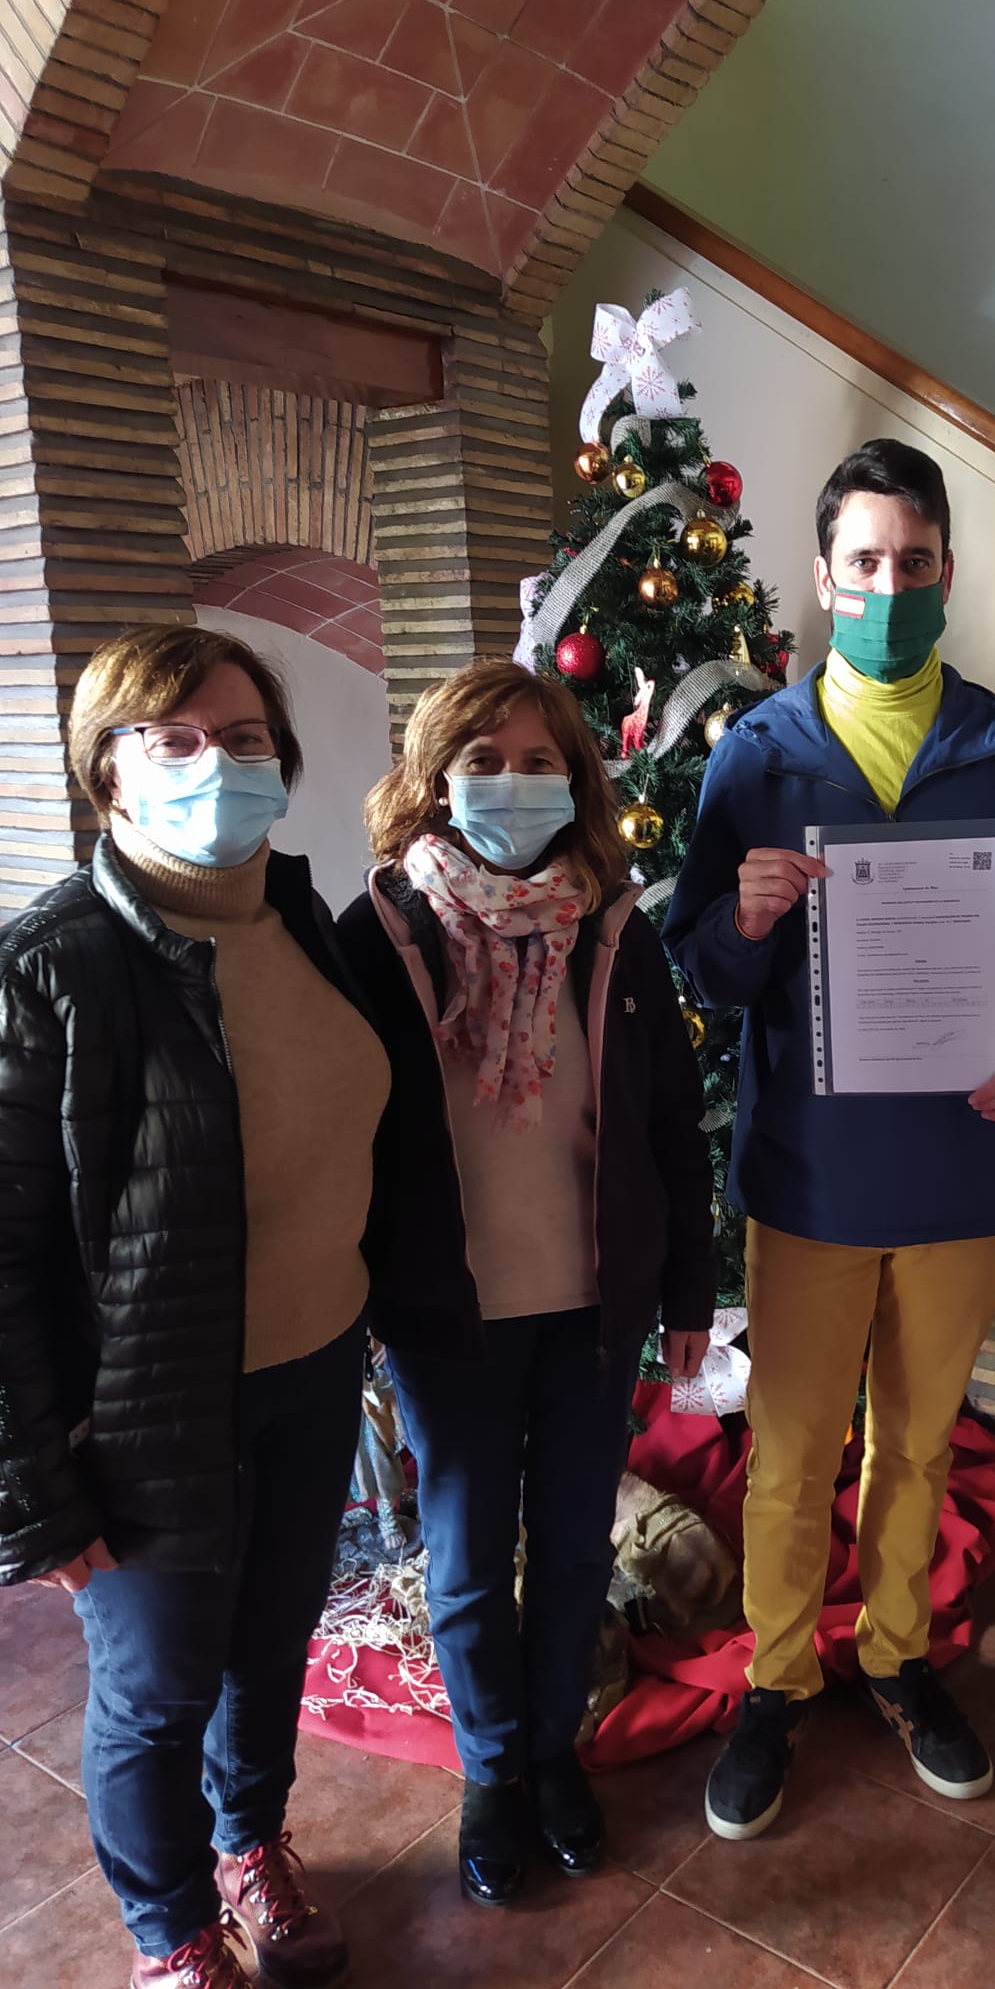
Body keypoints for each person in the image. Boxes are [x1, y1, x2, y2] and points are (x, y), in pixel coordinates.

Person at [664, 437, 995, 1840]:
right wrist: (740, 921)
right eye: (866, 562)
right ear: (823, 576)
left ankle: (901, 1655)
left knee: (917, 1445)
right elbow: (698, 969)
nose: (890, 585)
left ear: (947, 573)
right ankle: (779, 1679)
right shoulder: (758, 756)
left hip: (963, 1171)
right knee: (792, 1453)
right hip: (810, 1174)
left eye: (914, 562)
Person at [0, 626, 391, 1989]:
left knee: (272, 1647)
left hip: (315, 1365)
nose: (215, 763)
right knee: (160, 1690)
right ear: (107, 770)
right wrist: (35, 1498)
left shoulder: (300, 920)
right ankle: (170, 1933)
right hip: (151, 1413)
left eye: (243, 738)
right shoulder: (50, 967)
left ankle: (248, 1844)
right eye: (172, 738)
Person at [337, 659, 715, 1907]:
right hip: (448, 1316)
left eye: (539, 759)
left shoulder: (614, 929)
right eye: (483, 760)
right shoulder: (380, 931)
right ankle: (492, 1769)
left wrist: (687, 1296)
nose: (511, 781)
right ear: (435, 777)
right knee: (461, 1560)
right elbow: (335, 1133)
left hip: (590, 1308)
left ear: (577, 777)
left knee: (567, 1549)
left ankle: (553, 1753)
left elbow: (671, 1126)